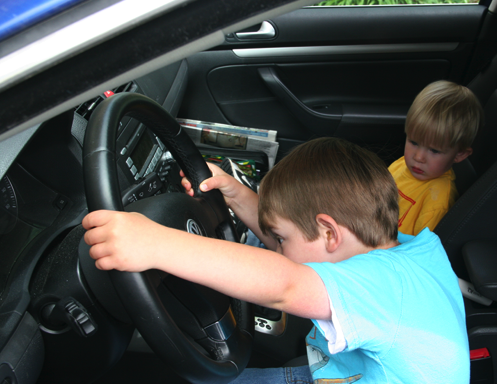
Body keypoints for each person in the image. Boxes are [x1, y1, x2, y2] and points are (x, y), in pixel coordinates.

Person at [82, 137, 469, 383]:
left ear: (331, 232)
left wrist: (157, 244)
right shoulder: (404, 247)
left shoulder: (381, 287)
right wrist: (235, 194)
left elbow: (286, 284)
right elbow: (304, 246)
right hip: (341, 373)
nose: (275, 247)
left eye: (280, 240)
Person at [389, 80, 483, 236]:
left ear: (459, 155)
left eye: (434, 150)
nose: (418, 157)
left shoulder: (438, 201)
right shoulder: (403, 164)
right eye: (413, 142)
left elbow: (420, 250)